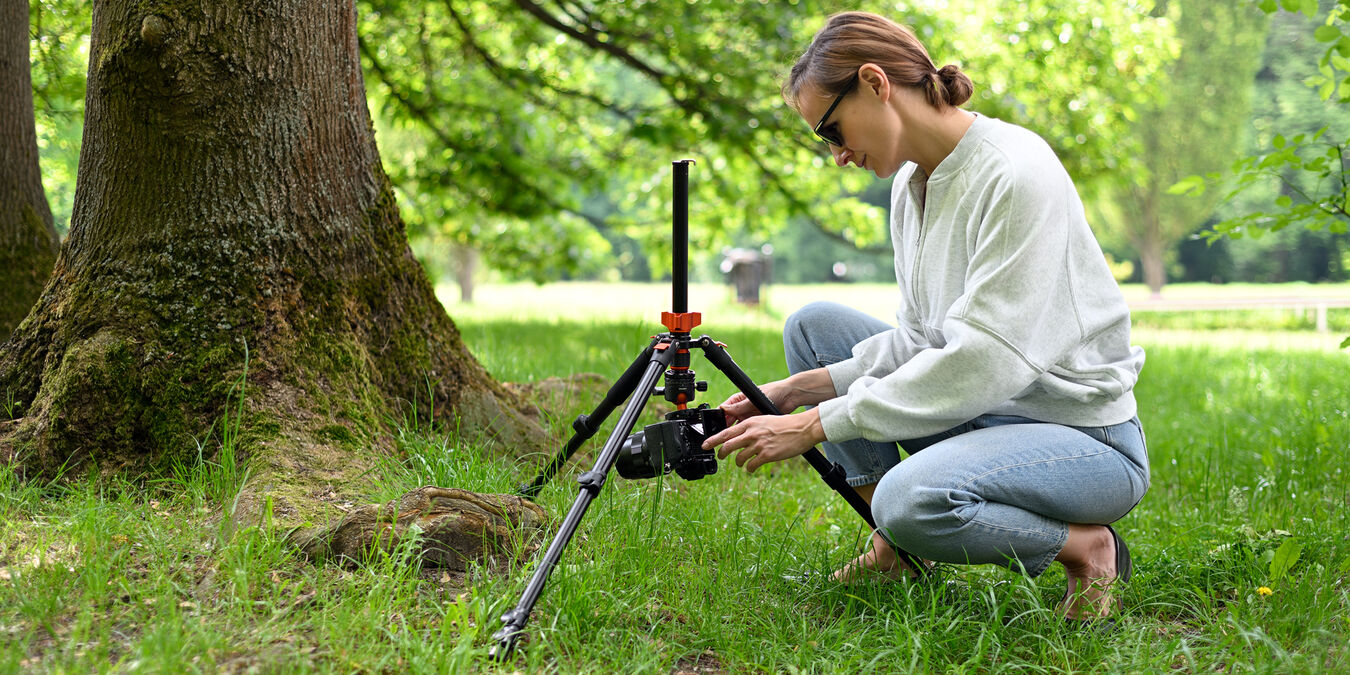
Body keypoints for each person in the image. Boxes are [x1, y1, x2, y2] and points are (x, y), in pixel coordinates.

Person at [700, 11, 1149, 622]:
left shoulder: (1013, 172)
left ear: (875, 82)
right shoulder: (912, 183)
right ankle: (896, 553)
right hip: (986, 413)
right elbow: (920, 339)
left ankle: (1086, 548)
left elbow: (983, 360)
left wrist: (814, 426)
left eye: (830, 131)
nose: (835, 155)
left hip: (1084, 441)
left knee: (908, 500)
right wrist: (786, 393)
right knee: (814, 328)